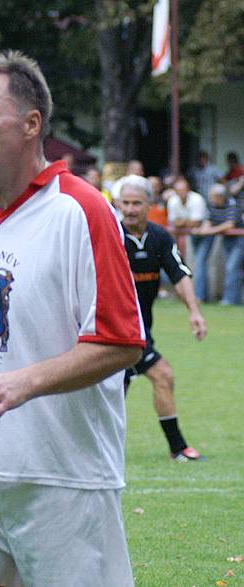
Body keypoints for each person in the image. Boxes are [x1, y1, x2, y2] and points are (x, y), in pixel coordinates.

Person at [0, 50, 144, 587]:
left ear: (31, 123)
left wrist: (24, 382)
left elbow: (122, 341)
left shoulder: (82, 210)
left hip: (62, 479)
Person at [116, 175, 208, 460]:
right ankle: (177, 448)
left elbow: (179, 274)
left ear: (150, 205)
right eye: (125, 203)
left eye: (136, 203)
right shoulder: (111, 235)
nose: (130, 209)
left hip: (140, 331)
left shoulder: (159, 237)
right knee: (155, 377)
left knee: (143, 382)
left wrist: (194, 311)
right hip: (114, 331)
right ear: (117, 204)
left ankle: (176, 448)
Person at [192, 183, 244, 304]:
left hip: (239, 239)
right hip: (227, 239)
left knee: (232, 267)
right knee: (230, 267)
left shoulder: (233, 204)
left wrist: (209, 231)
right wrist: (203, 229)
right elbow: (209, 220)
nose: (210, 199)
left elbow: (229, 224)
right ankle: (233, 299)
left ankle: (229, 299)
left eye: (213, 197)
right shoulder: (212, 205)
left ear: (220, 197)